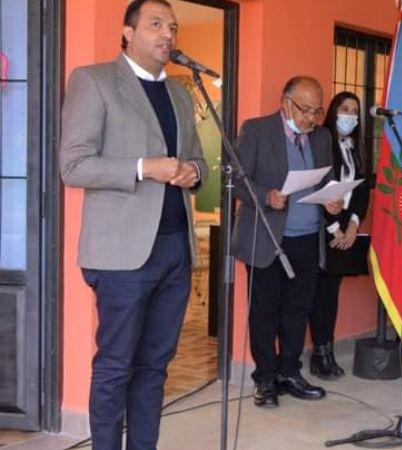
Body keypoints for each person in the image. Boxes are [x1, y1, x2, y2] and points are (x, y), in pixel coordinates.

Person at [59, 1, 208, 448]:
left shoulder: (180, 92)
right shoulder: (94, 81)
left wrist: (194, 171)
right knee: (116, 367)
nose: (168, 34)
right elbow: (73, 166)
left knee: (154, 367)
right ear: (128, 32)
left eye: (173, 27)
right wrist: (145, 167)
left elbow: (197, 159)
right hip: (121, 256)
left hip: (175, 250)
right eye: (155, 24)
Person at [232, 76, 344, 409]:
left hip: (307, 238)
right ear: (286, 104)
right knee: (264, 311)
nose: (312, 118)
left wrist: (332, 201)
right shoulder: (256, 130)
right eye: (306, 110)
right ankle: (265, 379)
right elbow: (236, 178)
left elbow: (326, 180)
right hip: (268, 238)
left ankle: (290, 372)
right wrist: (265, 196)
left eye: (317, 111)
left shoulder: (321, 137)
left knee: (298, 310)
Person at [308, 92, 370, 380]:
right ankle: (319, 353)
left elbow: (360, 189)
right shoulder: (322, 142)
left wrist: (354, 224)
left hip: (346, 224)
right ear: (334, 111)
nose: (350, 115)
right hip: (323, 225)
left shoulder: (355, 147)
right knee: (319, 292)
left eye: (355, 111)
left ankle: (328, 350)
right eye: (345, 109)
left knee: (332, 293)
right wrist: (335, 228)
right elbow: (318, 187)